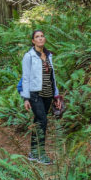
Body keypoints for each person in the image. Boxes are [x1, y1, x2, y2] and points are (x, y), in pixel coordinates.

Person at [20, 29, 62, 165]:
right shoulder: (29, 56)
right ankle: (41, 154)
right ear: (33, 41)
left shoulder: (49, 55)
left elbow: (52, 77)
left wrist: (56, 95)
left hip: (48, 94)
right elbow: (25, 78)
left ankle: (33, 152)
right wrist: (26, 98)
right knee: (43, 121)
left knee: (38, 121)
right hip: (35, 94)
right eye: (37, 37)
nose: (40, 38)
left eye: (42, 36)